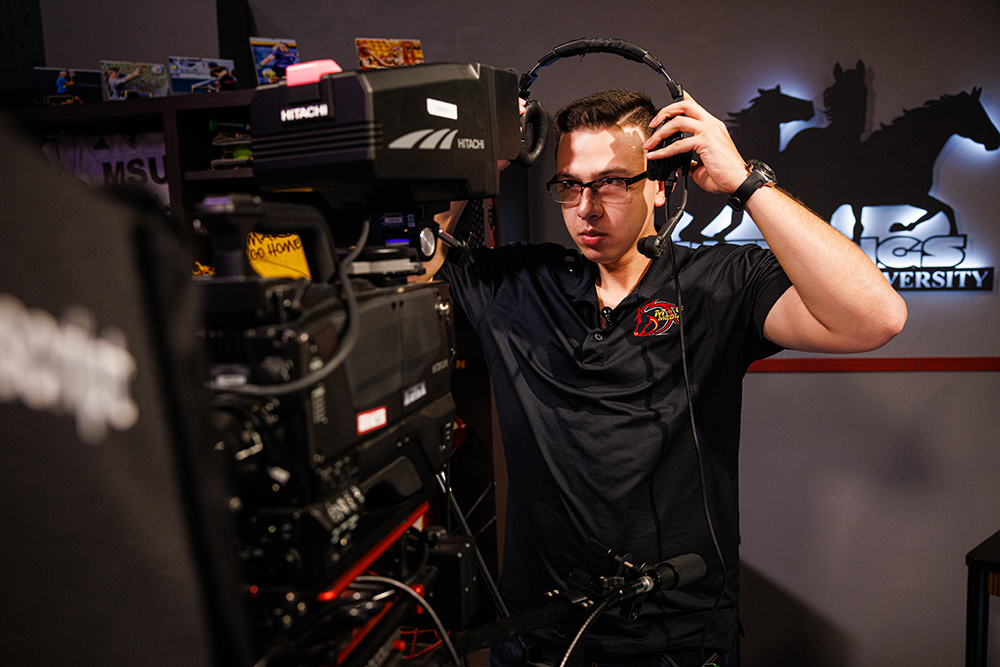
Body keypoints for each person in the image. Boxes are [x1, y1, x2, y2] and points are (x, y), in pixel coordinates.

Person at [417, 89, 906, 667]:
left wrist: (747, 184)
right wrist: (473, 159)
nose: (587, 208)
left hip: (678, 640)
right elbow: (412, 260)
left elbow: (876, 318)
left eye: (612, 182)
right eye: (570, 185)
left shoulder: (721, 282)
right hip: (536, 637)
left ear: (661, 182)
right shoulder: (520, 282)